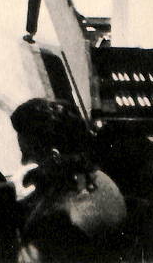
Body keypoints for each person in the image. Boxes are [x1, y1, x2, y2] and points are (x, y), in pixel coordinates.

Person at [9, 98, 128, 262]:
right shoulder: (100, 180)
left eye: (26, 154)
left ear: (54, 157)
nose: (23, 162)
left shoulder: (57, 222)